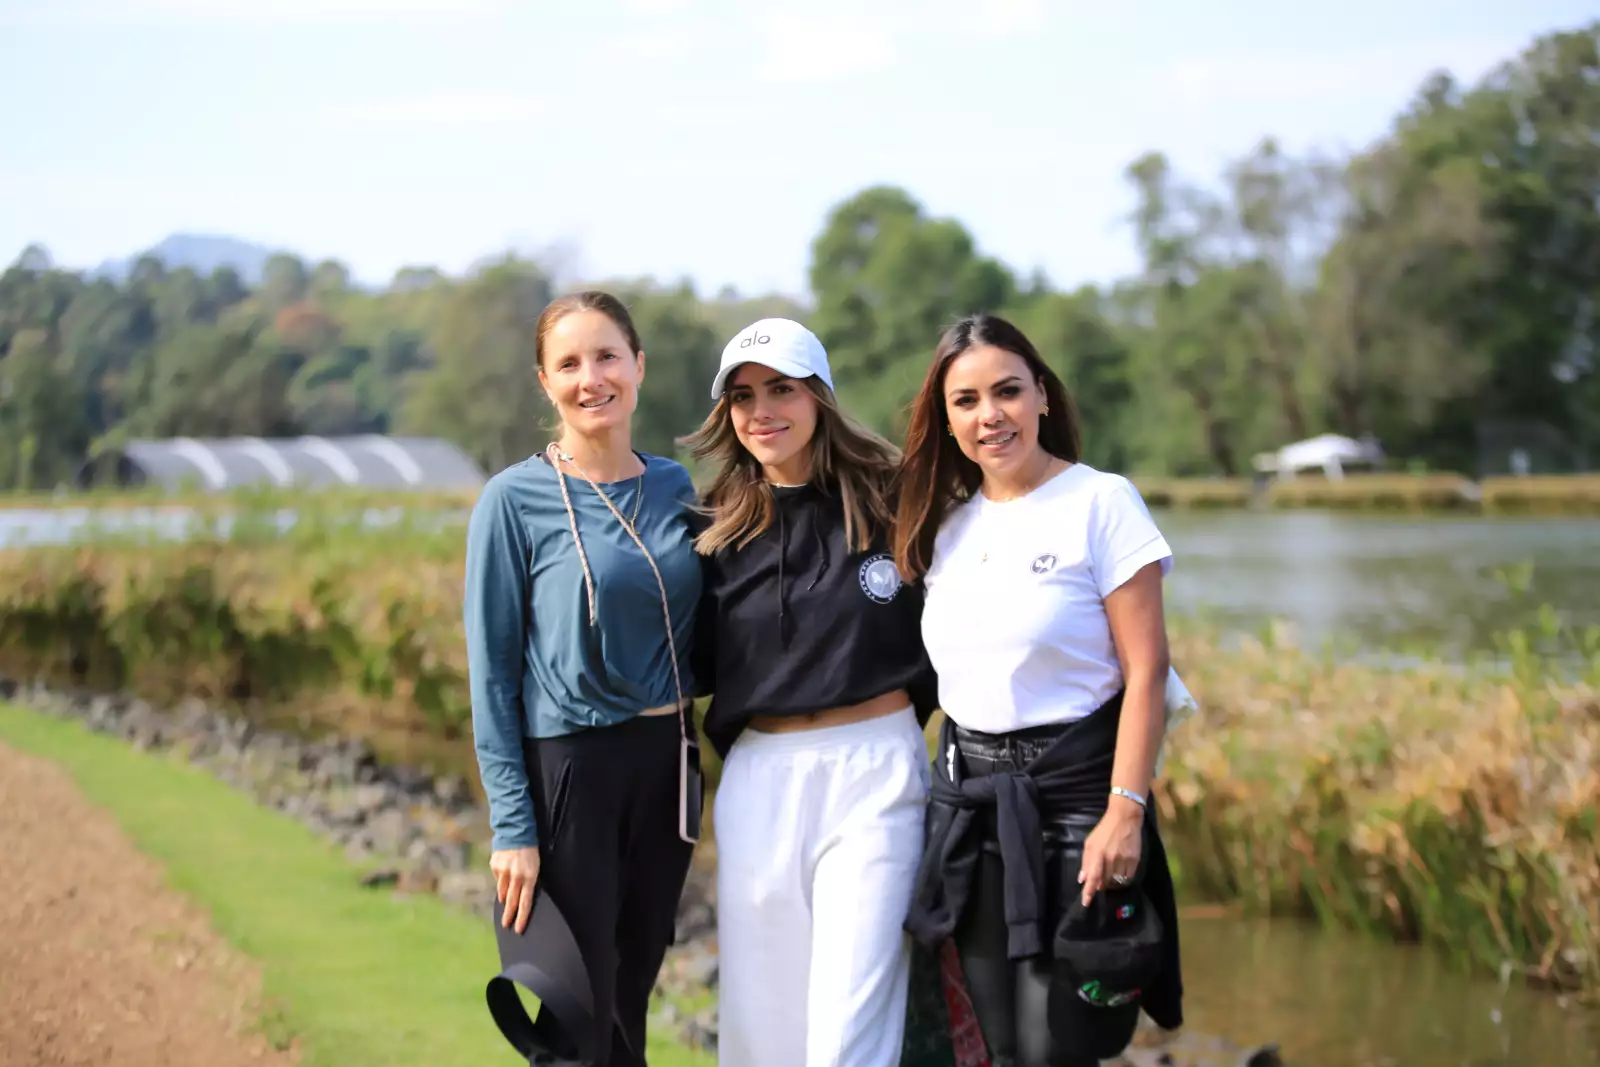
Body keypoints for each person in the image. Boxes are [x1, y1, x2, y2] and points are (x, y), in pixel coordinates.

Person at [894, 313, 1184, 1067]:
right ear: (946, 417)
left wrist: (1126, 810)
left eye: (1008, 391)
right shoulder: (945, 526)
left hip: (1078, 801)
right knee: (1000, 1042)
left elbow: (1148, 670)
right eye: (966, 400)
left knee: (1062, 1045)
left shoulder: (1101, 502)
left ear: (1043, 398)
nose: (990, 415)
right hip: (976, 808)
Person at [680, 317, 939, 1067]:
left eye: (782, 389)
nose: (763, 410)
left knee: (846, 1035)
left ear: (819, 396)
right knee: (763, 1036)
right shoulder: (710, 526)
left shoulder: (899, 500)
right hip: (761, 777)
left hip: (877, 772)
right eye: (744, 396)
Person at [463, 290, 704, 1067]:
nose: (590, 376)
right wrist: (513, 825)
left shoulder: (675, 488)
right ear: (544, 381)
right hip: (569, 767)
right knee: (574, 1006)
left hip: (666, 764)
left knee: (630, 997)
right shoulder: (512, 500)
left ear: (638, 365)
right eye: (568, 362)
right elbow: (492, 674)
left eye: (606, 355)